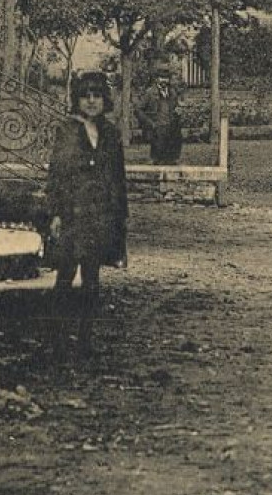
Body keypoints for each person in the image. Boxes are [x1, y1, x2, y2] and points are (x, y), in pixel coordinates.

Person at [45, 71, 129, 358]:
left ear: (105, 100)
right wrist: (55, 213)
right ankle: (57, 340)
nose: (92, 102)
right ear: (77, 100)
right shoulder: (66, 130)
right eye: (86, 96)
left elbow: (118, 177)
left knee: (92, 279)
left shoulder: (110, 133)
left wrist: (120, 217)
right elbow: (56, 174)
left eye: (97, 96)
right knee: (65, 275)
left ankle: (85, 340)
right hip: (72, 213)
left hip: (100, 214)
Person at [136, 65, 184, 165]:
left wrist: (178, 111)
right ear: (157, 79)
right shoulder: (150, 93)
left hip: (170, 128)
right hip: (156, 128)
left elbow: (175, 108)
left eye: (166, 78)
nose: (164, 81)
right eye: (162, 78)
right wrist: (150, 123)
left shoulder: (172, 92)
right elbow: (138, 110)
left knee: (171, 158)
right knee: (157, 158)